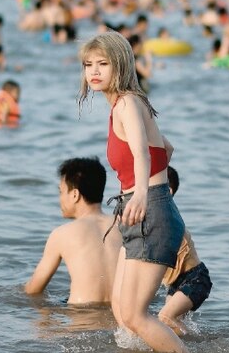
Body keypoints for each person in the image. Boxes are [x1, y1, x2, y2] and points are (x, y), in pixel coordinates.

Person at [78, 31, 187, 353]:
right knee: (121, 311)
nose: (94, 71)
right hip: (140, 206)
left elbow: (142, 151)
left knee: (136, 316)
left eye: (103, 63)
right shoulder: (127, 105)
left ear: (121, 65)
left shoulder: (127, 102)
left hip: (146, 208)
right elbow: (166, 148)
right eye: (88, 64)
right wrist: (145, 190)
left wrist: (143, 193)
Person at [24, 157, 121, 303]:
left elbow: (34, 289)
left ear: (75, 195)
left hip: (81, 318)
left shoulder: (61, 234)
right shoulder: (123, 226)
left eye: (61, 192)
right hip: (120, 317)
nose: (60, 198)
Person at [158, 167, 213, 335]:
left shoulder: (167, 213)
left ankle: (198, 345)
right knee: (170, 325)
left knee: (165, 319)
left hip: (195, 278)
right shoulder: (156, 216)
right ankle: (190, 343)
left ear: (167, 191)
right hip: (175, 283)